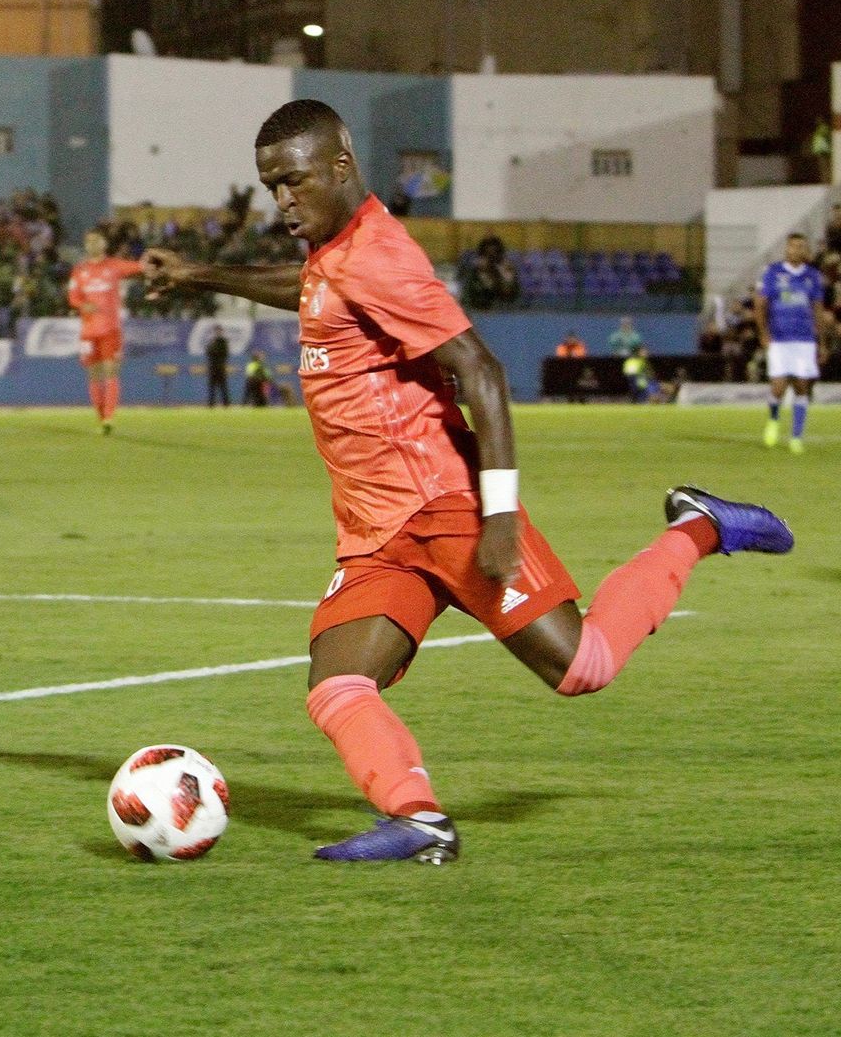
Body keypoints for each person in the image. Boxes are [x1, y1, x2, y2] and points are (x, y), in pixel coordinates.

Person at [142, 98, 793, 864]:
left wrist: (501, 510)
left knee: (583, 666)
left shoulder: (379, 252)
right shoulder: (334, 251)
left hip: (445, 504)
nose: (282, 199)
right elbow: (315, 291)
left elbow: (480, 367)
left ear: (341, 166)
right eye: (270, 185)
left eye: (293, 180)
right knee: (336, 684)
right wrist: (198, 274)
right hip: (378, 533)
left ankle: (699, 526)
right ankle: (419, 820)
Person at [67, 228, 144, 434]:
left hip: (111, 329)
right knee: (93, 376)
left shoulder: (114, 266)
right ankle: (101, 417)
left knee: (111, 371)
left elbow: (137, 267)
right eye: (88, 241)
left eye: (96, 240)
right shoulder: (80, 271)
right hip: (88, 331)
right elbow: (73, 297)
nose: (92, 244)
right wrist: (83, 305)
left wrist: (152, 262)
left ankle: (109, 417)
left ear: (104, 244)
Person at [755, 232, 826, 454]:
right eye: (792, 246)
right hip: (779, 338)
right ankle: (774, 421)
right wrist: (763, 333)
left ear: (805, 250)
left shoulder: (813, 276)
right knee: (777, 387)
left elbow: (817, 309)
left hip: (804, 340)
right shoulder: (773, 272)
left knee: (801, 387)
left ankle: (796, 436)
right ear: (786, 249)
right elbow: (760, 305)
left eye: (801, 246)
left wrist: (821, 342)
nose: (796, 250)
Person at [461, 235, 520, 311]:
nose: (491, 251)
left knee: (508, 278)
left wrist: (505, 273)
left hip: (501, 289)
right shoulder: (478, 266)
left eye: (493, 249)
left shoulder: (504, 264)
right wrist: (481, 271)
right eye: (489, 249)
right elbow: (475, 283)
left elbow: (510, 282)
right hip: (484, 295)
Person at [205, 327, 231, 407]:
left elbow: (224, 353)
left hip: (220, 367)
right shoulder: (211, 341)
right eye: (216, 331)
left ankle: (226, 403)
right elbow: (208, 352)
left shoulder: (224, 342)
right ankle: (211, 403)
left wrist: (214, 349)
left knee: (223, 386)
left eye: (219, 331)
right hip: (212, 367)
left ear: (221, 332)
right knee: (212, 386)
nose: (218, 332)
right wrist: (212, 348)